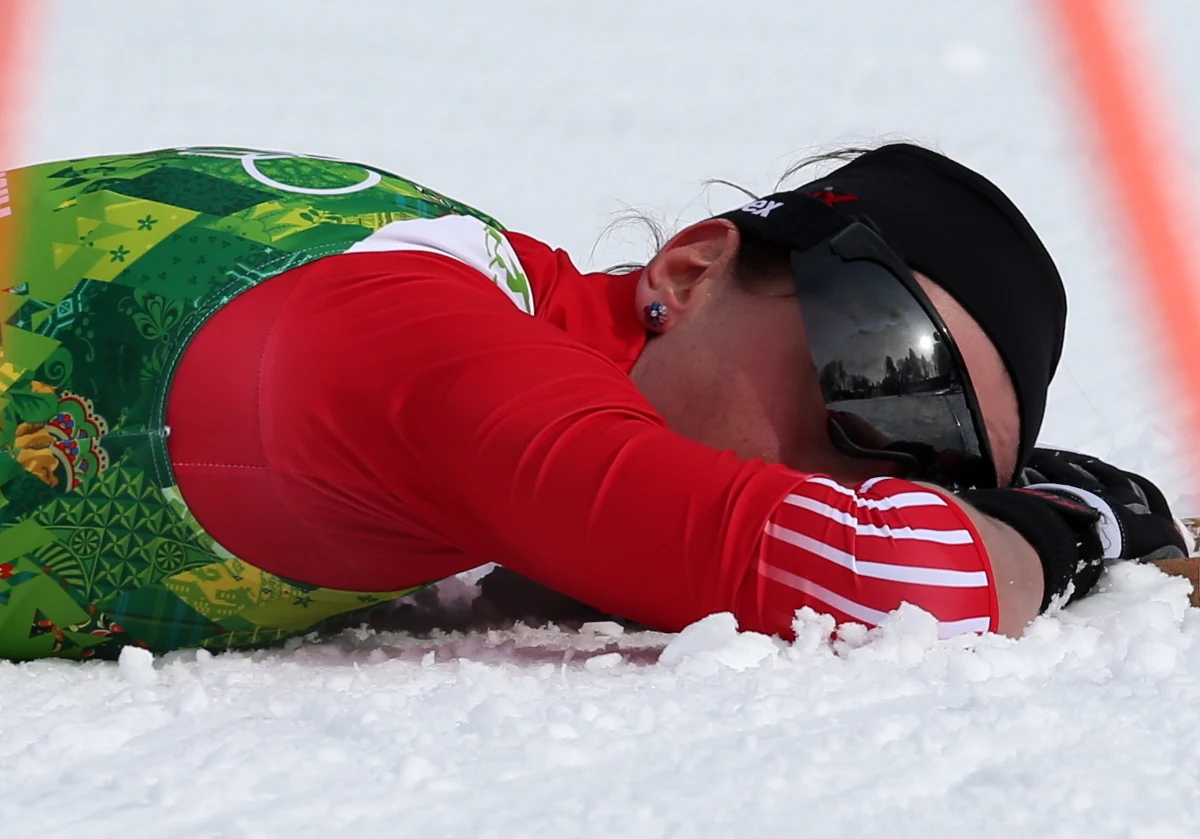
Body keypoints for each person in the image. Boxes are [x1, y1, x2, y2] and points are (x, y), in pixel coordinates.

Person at [0, 143, 1188, 661]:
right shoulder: (452, 347)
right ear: (689, 266)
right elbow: (896, 580)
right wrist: (1083, 518)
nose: (861, 464)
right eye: (881, 366)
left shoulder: (490, 289)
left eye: (926, 461)